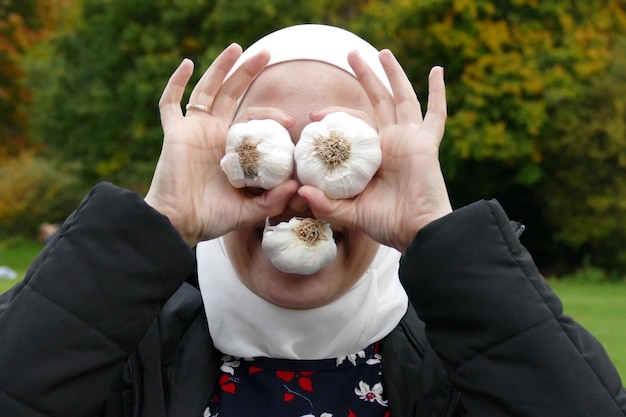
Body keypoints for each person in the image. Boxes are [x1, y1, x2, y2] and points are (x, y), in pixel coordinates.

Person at [0, 24, 624, 417]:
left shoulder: (461, 356)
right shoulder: (124, 348)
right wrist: (158, 221)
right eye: (266, 141)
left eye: (339, 147)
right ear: (220, 157)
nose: (301, 193)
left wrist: (438, 229)